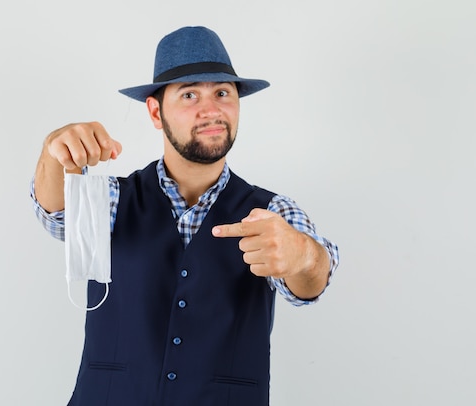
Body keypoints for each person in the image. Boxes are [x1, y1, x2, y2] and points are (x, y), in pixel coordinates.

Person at [31, 26, 339, 406]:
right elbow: (56, 213)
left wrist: (304, 255)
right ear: (156, 112)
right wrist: (54, 152)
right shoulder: (111, 199)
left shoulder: (271, 213)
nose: (210, 110)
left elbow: (311, 284)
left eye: (222, 93)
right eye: (189, 94)